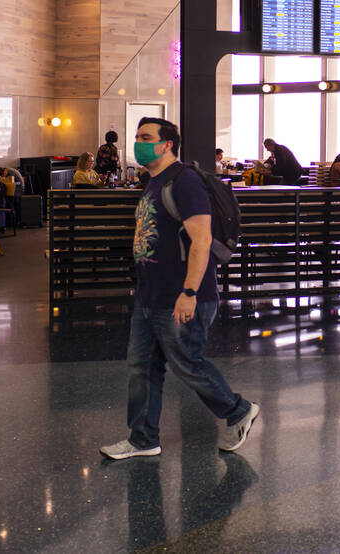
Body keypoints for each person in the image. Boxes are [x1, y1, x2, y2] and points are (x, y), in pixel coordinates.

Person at [100, 117, 259, 459]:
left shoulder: (184, 181)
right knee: (142, 367)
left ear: (167, 144)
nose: (138, 142)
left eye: (146, 137)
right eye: (137, 136)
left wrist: (188, 293)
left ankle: (238, 410)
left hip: (182, 296)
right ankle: (143, 439)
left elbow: (201, 240)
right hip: (150, 295)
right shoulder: (153, 182)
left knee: (188, 363)